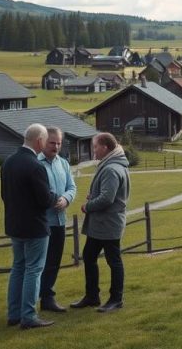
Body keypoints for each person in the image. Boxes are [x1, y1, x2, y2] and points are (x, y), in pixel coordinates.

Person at [1, 123, 67, 329]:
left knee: (18, 268)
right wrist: (56, 197)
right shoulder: (35, 166)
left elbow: (5, 195)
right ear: (39, 141)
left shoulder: (8, 162)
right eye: (47, 140)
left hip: (14, 225)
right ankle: (28, 316)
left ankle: (14, 314)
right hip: (35, 227)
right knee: (33, 270)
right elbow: (44, 199)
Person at [71, 132, 130, 313]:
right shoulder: (112, 164)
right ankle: (92, 296)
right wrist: (95, 196)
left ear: (105, 147)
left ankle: (116, 299)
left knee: (114, 260)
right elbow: (106, 193)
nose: (93, 150)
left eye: (95, 146)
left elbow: (107, 198)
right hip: (102, 224)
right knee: (89, 256)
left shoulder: (112, 168)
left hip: (108, 223)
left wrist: (88, 206)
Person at [38, 126, 77, 313]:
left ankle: (47, 298)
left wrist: (66, 198)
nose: (56, 146)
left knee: (54, 262)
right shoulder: (36, 163)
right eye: (52, 143)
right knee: (39, 264)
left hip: (60, 222)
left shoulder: (63, 163)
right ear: (43, 141)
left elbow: (72, 186)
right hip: (42, 222)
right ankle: (32, 299)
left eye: (59, 143)